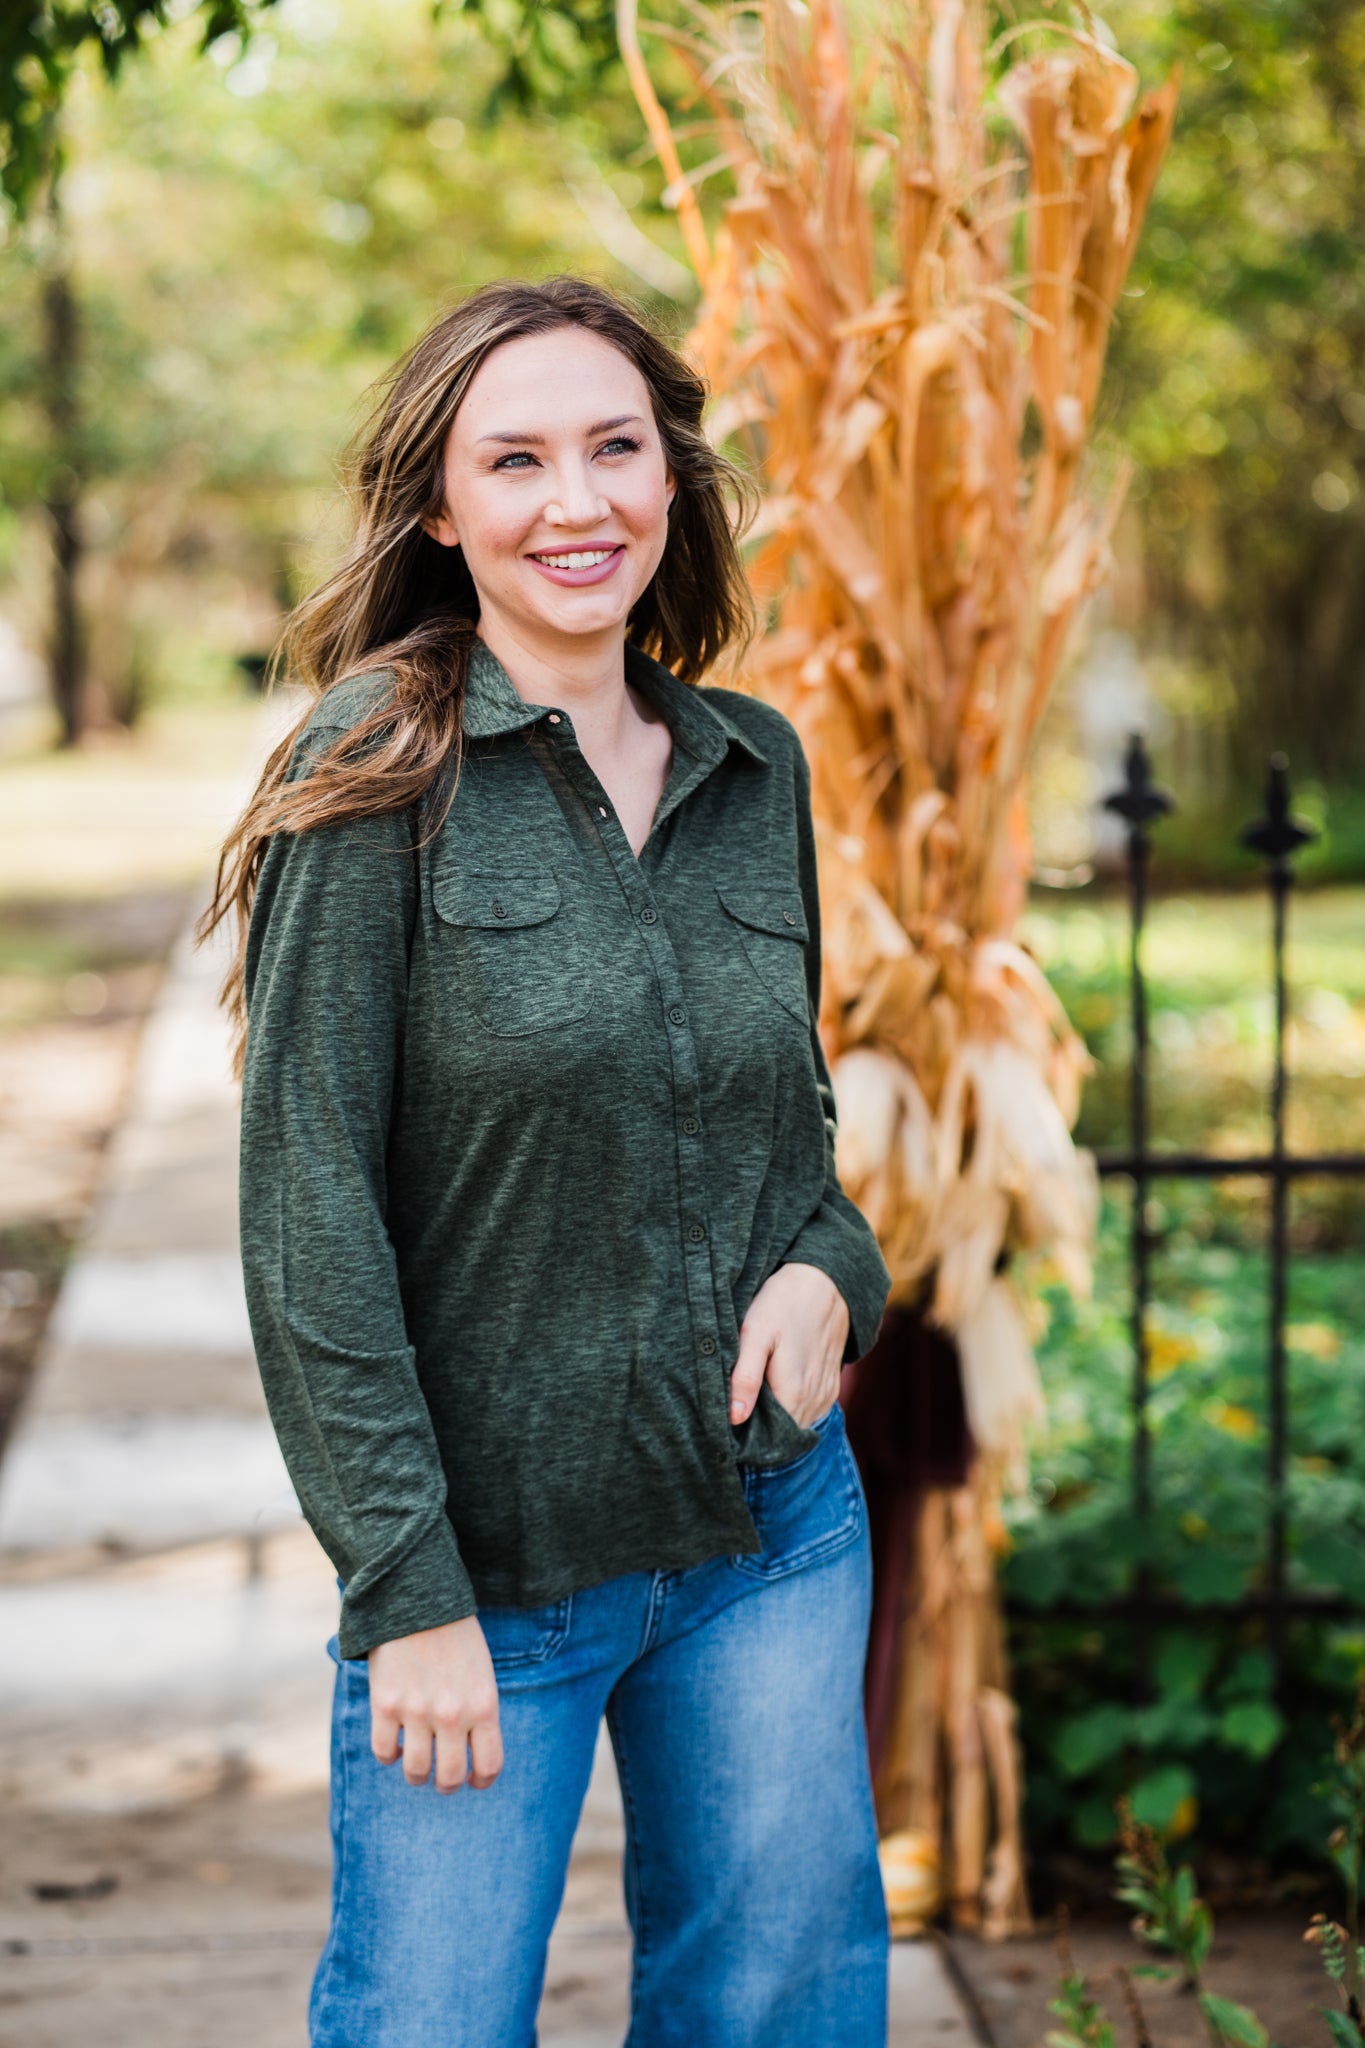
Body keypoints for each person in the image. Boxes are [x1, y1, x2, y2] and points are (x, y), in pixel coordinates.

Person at [207, 274, 892, 2048]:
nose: (573, 502)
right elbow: (307, 1217)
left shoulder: (757, 767)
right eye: (513, 461)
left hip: (771, 1535)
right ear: (444, 508)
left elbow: (783, 1144)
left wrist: (836, 1274)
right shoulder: (373, 767)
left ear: (673, 473)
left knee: (776, 2014)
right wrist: (401, 1588)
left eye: (613, 447)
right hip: (482, 1571)